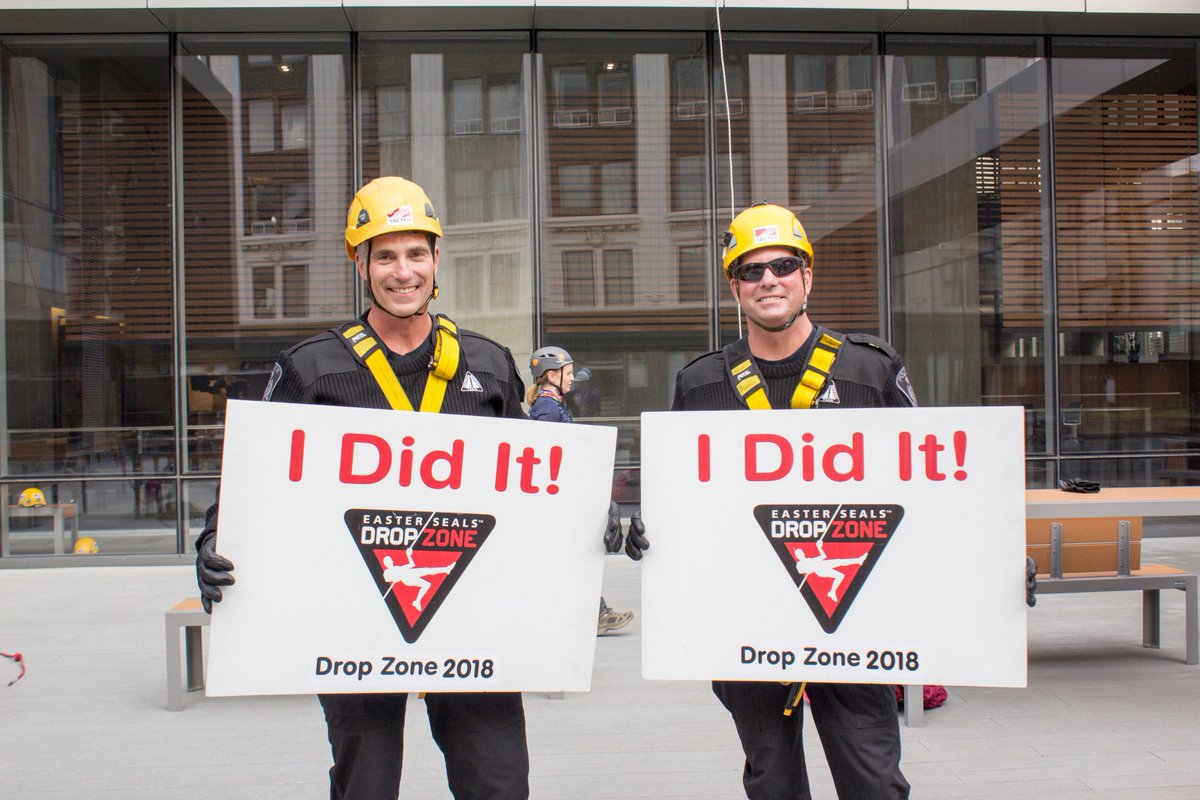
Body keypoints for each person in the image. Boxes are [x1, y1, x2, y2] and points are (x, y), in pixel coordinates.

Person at [195, 177, 533, 800]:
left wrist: (593, 523)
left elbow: (536, 484)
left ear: (436, 260)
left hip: (470, 605)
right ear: (360, 263)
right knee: (366, 784)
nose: (402, 272)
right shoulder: (311, 367)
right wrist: (217, 532)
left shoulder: (487, 364)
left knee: (499, 784)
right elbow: (253, 470)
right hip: (352, 606)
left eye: (415, 254)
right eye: (384, 255)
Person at [660, 201, 914, 799]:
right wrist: (653, 528)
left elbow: (923, 491)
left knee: (874, 782)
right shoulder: (700, 385)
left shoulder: (868, 370)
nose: (768, 280)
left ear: (808, 275)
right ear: (734, 286)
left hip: (849, 610)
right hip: (745, 617)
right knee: (772, 782)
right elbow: (679, 500)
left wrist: (992, 554)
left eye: (783, 266)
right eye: (751, 270)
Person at [526, 345, 634, 635]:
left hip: (563, 496)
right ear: (551, 375)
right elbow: (548, 455)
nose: (572, 379)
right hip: (559, 499)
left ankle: (593, 612)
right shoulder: (547, 408)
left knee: (573, 556)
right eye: (568, 373)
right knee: (575, 555)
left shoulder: (552, 404)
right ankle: (593, 613)